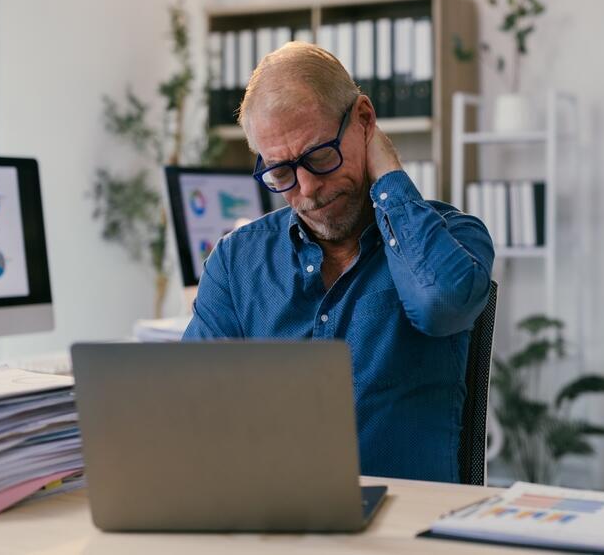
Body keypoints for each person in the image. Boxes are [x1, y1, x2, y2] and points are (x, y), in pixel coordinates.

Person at [182, 42, 494, 482]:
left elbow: (441, 303)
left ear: (363, 120)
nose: (307, 189)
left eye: (321, 156)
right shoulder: (236, 262)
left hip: (408, 532)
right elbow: (191, 410)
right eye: (281, 172)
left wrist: (388, 173)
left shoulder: (454, 238)